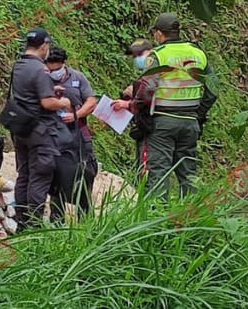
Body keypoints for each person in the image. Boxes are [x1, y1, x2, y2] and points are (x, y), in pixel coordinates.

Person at [112, 13, 217, 199]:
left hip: (163, 123)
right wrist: (198, 115)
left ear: (159, 34)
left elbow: (147, 91)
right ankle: (194, 219)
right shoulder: (198, 53)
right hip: (190, 122)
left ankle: (157, 221)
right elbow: (213, 90)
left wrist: (131, 104)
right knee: (189, 174)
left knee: (158, 174)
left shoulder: (158, 55)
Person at [9, 28, 72, 227]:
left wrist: (50, 89)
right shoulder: (40, 70)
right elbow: (47, 103)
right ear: (44, 46)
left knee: (24, 174)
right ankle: (34, 224)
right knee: (40, 175)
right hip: (40, 131)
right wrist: (63, 102)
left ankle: (20, 219)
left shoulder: (19, 65)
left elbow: (28, 91)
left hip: (21, 129)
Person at [45, 46, 98, 219]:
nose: (54, 73)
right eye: (50, 68)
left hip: (78, 131)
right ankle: (56, 219)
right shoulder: (42, 79)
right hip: (52, 133)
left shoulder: (78, 77)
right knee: (56, 174)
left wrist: (76, 115)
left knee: (85, 172)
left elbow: (91, 101)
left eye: (57, 69)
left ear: (63, 64)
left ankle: (84, 218)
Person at [122, 38, 153, 178]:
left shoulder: (156, 71)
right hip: (142, 125)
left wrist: (133, 95)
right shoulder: (146, 74)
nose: (137, 59)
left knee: (146, 169)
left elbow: (150, 97)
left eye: (139, 55)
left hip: (152, 126)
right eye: (134, 57)